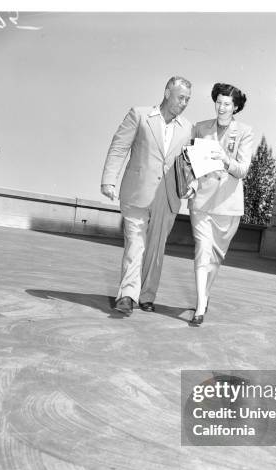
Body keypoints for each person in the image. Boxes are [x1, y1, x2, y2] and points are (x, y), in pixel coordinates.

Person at [101, 76, 192, 315]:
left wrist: (191, 184)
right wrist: (109, 180)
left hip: (168, 196)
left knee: (155, 249)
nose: (184, 103)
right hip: (136, 191)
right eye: (181, 97)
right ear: (166, 92)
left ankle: (147, 295)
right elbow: (119, 146)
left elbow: (187, 163)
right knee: (136, 243)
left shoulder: (187, 128)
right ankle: (128, 295)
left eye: (187, 100)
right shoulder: (139, 115)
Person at [188, 83, 253, 325]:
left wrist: (226, 160)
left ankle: (204, 296)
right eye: (218, 102)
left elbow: (243, 169)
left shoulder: (245, 132)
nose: (221, 107)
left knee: (215, 257)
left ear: (235, 107)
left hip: (228, 205)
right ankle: (200, 306)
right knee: (202, 251)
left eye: (227, 104)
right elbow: (190, 163)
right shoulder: (200, 128)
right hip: (202, 202)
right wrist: (192, 184)